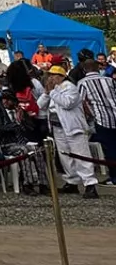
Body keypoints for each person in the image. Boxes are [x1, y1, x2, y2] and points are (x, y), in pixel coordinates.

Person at [39, 64, 99, 198]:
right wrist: (46, 93)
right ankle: (72, 182)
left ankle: (90, 184)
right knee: (65, 156)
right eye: (50, 75)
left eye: (54, 75)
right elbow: (40, 106)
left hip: (73, 128)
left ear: (62, 76)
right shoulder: (52, 90)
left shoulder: (70, 87)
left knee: (81, 155)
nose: (51, 78)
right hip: (58, 128)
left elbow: (67, 103)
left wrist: (53, 92)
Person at [76, 59, 116, 184]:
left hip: (101, 119)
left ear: (84, 70)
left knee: (110, 149)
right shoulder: (109, 80)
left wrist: (89, 115)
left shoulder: (82, 83)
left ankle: (114, 177)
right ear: (98, 68)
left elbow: (81, 102)